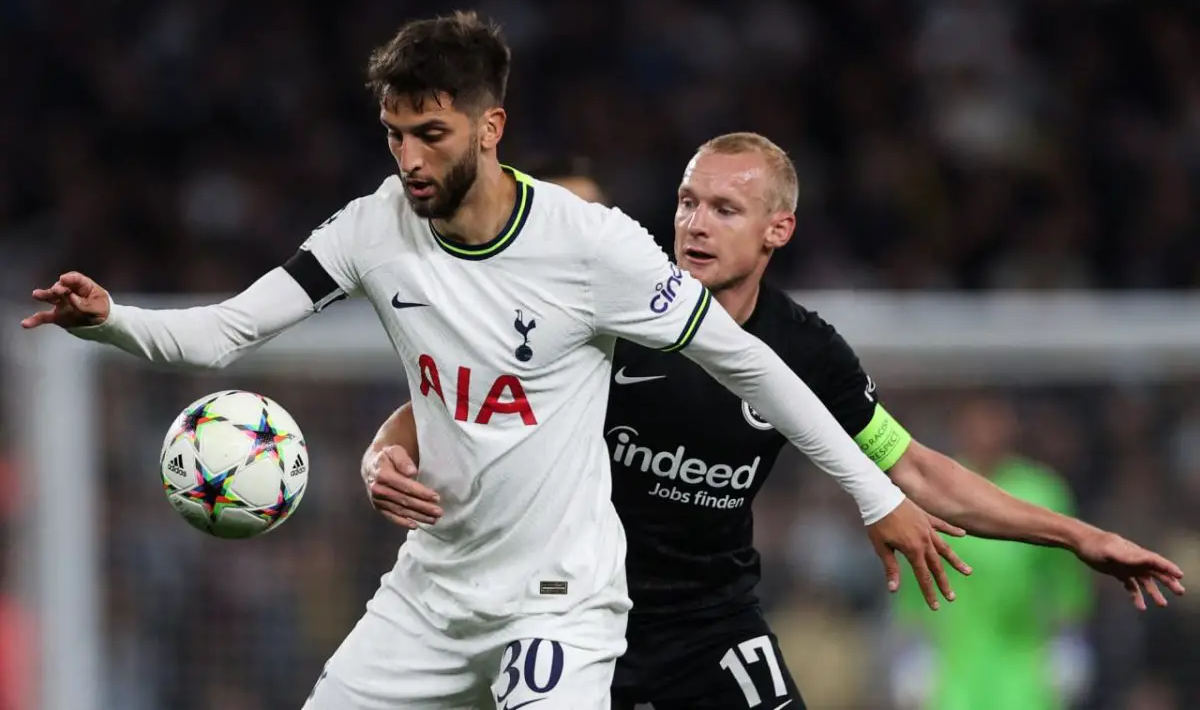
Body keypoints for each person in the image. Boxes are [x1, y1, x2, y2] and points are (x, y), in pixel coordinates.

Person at [20, 13, 960, 710]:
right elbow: (227, 330)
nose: (411, 160)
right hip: (432, 590)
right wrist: (110, 320)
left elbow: (750, 366)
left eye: (431, 134)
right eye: (394, 134)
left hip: (558, 600)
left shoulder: (594, 247)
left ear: (489, 127)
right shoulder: (372, 227)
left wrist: (878, 495)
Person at [365, 132, 1186, 710]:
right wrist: (383, 453)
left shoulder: (805, 350)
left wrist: (1077, 535)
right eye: (687, 202)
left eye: (724, 207)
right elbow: (454, 393)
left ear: (776, 229)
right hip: (576, 619)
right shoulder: (605, 313)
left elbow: (918, 472)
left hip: (711, 626)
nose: (694, 222)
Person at [891, 396, 1094, 710]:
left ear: (1010, 426)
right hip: (953, 671)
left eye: (993, 420)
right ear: (960, 427)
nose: (985, 432)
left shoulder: (1044, 493)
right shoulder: (934, 492)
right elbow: (914, 580)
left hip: (1025, 669)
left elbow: (1066, 582)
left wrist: (1068, 644)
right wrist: (915, 653)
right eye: (976, 422)